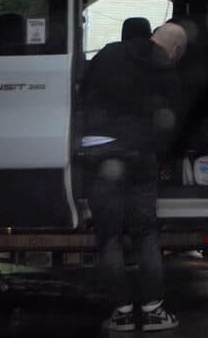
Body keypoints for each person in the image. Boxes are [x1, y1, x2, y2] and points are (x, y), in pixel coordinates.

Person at [78, 21, 188, 332]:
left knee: (109, 234)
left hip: (99, 154)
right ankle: (153, 310)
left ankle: (122, 312)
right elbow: (171, 121)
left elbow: (82, 95)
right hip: (140, 154)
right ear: (175, 49)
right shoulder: (165, 68)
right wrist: (162, 160)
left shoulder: (108, 54)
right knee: (145, 231)